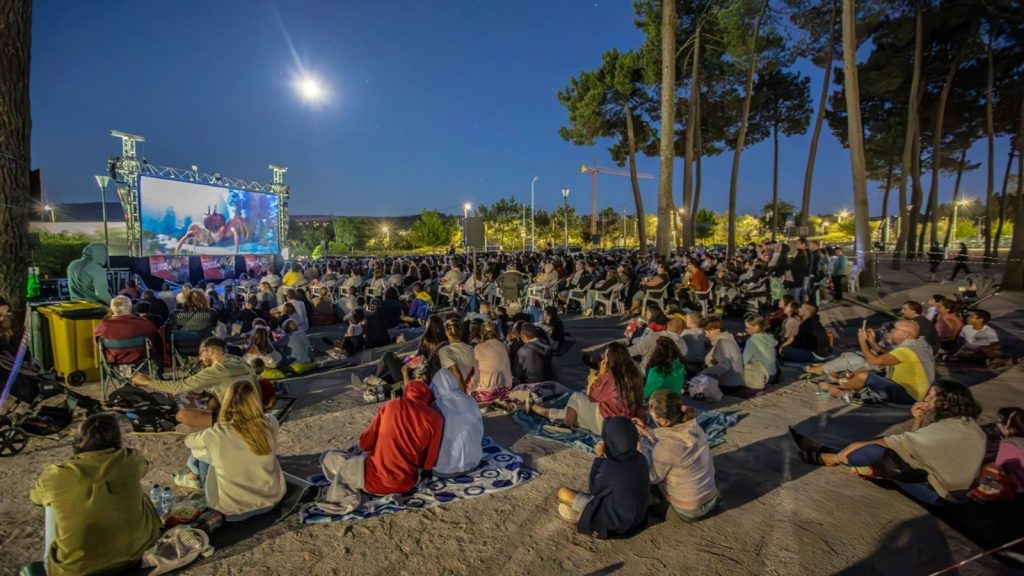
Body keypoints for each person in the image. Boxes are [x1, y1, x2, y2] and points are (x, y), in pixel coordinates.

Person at [793, 380, 986, 502]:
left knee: (873, 450)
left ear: (944, 402)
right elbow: (913, 443)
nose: (926, 398)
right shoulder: (968, 425)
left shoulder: (943, 430)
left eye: (931, 396)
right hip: (957, 487)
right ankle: (854, 463)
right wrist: (918, 419)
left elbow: (895, 442)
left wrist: (846, 452)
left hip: (940, 494)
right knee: (890, 447)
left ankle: (833, 459)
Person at [29, 413, 161, 576]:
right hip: (135, 554)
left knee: (52, 507)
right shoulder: (129, 459)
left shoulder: (57, 474)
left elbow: (36, 497)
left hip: (77, 569)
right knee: (136, 494)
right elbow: (143, 468)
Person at [179, 381, 286, 521]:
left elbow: (189, 441)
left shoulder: (217, 433)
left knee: (203, 455)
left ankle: (193, 479)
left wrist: (198, 429)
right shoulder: (270, 422)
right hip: (271, 500)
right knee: (218, 452)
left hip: (232, 511)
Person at [324, 379, 443, 497]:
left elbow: (365, 443)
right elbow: (429, 460)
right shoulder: (436, 418)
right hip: (407, 484)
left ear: (407, 392)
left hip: (374, 482)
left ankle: (337, 496)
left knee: (331, 457)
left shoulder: (391, 405)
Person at [555, 416, 650, 538]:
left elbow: (594, 489)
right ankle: (582, 514)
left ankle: (583, 517)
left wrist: (599, 457)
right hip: (638, 518)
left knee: (562, 493)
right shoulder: (639, 458)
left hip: (616, 525)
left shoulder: (611, 466)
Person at [133, 337, 256, 429]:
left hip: (238, 418)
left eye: (201, 353)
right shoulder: (239, 361)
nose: (200, 358)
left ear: (211, 351)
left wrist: (147, 381)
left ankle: (214, 423)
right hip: (254, 407)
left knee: (182, 415)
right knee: (211, 400)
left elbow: (180, 386)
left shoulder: (217, 370)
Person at [634, 390, 718, 521]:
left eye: (652, 415)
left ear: (664, 421)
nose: (649, 415)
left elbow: (651, 478)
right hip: (711, 498)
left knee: (635, 481)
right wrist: (645, 431)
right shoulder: (694, 426)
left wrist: (637, 447)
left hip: (689, 511)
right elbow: (668, 436)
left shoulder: (666, 448)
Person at [529, 342, 643, 435]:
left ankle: (566, 424)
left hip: (606, 424)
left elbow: (592, 396)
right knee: (573, 411)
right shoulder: (635, 374)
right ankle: (541, 410)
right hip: (623, 424)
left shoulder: (611, 377)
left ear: (608, 360)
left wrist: (601, 375)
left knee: (577, 397)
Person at [818, 320, 934, 405]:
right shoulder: (920, 343)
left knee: (866, 375)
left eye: (895, 329)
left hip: (909, 396)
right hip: (914, 392)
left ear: (906, 334)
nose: (892, 331)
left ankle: (839, 388)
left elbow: (874, 361)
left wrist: (862, 342)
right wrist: (871, 341)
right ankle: (845, 383)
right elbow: (888, 355)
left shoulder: (906, 350)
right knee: (866, 371)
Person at [428, 368, 484, 477]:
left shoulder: (436, 405)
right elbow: (479, 426)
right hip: (474, 463)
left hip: (445, 470)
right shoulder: (469, 399)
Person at [93, 296, 164, 366]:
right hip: (142, 361)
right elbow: (157, 343)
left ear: (111, 309)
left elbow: (97, 345)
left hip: (113, 362)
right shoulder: (144, 323)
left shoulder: (102, 326)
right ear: (130, 308)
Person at [698, 316, 745, 393]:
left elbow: (724, 366)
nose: (706, 335)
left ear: (716, 330)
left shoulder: (722, 342)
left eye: (707, 331)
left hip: (728, 385)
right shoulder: (728, 338)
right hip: (733, 382)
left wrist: (703, 373)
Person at [471, 321, 513, 403]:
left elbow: (474, 368)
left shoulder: (477, 348)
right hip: (504, 390)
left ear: (482, 333)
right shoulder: (504, 346)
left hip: (484, 393)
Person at [642, 337, 686, 402]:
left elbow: (648, 391)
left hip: (655, 401)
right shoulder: (680, 368)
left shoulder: (654, 369)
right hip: (675, 400)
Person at [741, 315, 778, 390]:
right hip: (773, 373)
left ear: (756, 326)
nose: (746, 330)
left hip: (762, 376)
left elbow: (743, 361)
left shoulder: (752, 341)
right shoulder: (769, 337)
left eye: (748, 327)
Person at [438, 317, 475, 391]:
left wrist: (463, 395)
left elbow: (456, 374)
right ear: (461, 331)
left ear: (447, 333)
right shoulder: (470, 348)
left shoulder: (444, 350)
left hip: (455, 390)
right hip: (469, 387)